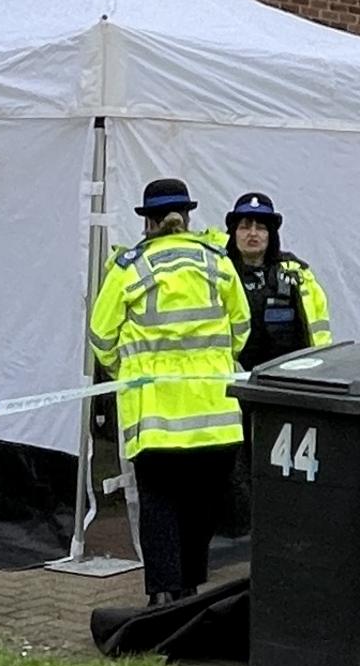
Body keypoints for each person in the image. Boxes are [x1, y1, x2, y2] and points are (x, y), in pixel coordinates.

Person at [88, 177, 249, 599]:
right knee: (202, 507)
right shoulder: (217, 260)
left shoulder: (129, 268)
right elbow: (241, 327)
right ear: (188, 216)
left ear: (148, 222)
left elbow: (101, 336)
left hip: (154, 418)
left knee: (160, 504)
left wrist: (128, 366)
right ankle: (190, 586)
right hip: (215, 417)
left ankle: (162, 592)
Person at [220, 191, 333, 371]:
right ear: (233, 233)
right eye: (245, 227)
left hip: (287, 381)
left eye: (261, 228)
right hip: (235, 381)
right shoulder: (220, 273)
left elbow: (317, 331)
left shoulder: (296, 274)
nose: (253, 233)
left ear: (271, 234)